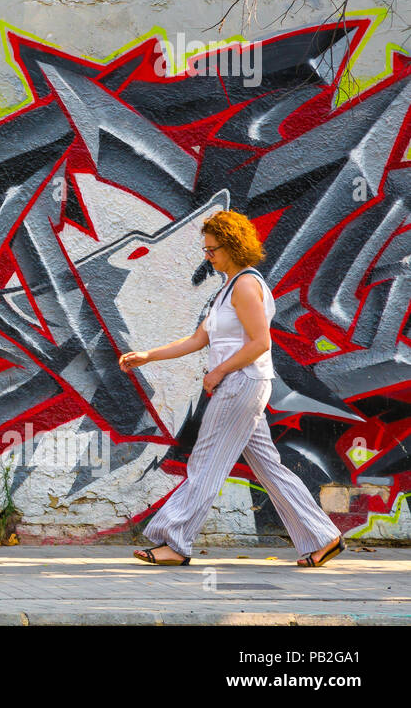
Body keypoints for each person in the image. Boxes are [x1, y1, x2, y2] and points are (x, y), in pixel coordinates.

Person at [118, 209, 344, 568]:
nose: (207, 256)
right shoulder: (228, 287)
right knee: (269, 468)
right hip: (243, 385)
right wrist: (148, 356)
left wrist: (217, 372)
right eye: (206, 250)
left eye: (212, 249)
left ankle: (175, 543)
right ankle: (322, 537)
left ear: (234, 246)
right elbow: (197, 340)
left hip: (241, 384)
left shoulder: (245, 286)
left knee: (206, 462)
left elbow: (260, 343)